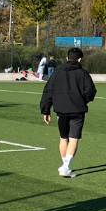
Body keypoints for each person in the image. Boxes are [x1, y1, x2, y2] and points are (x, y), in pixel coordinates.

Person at [39, 47, 97, 178]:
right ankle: (66, 166)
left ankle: (64, 165)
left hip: (61, 110)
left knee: (63, 138)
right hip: (77, 110)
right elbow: (91, 92)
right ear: (80, 59)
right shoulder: (83, 73)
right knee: (74, 138)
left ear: (67, 58)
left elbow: (48, 91)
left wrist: (45, 110)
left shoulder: (57, 73)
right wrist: (82, 101)